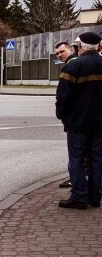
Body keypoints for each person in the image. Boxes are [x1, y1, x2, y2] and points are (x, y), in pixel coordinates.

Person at [55, 31, 102, 209]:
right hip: (100, 124)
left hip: (78, 124)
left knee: (76, 159)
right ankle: (95, 197)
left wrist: (62, 115)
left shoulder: (74, 66)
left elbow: (63, 96)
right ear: (98, 47)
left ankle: (79, 197)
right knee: (97, 159)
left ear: (80, 47)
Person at [55, 41, 80, 188]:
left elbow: (63, 95)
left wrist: (61, 115)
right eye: (57, 53)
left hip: (76, 120)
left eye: (62, 51)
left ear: (71, 49)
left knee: (76, 155)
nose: (59, 55)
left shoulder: (71, 66)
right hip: (90, 118)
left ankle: (78, 189)